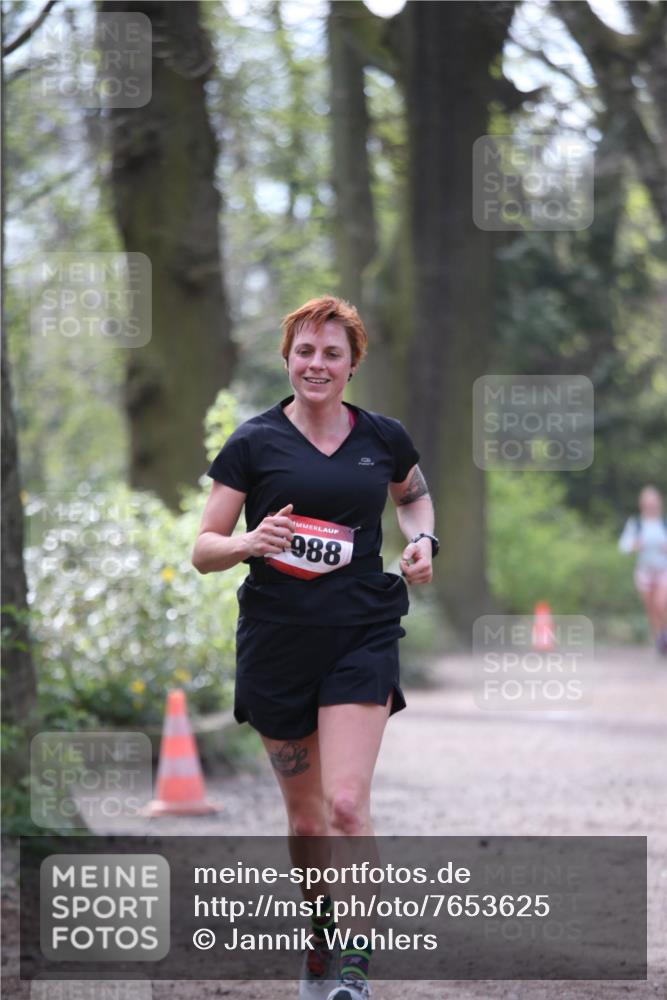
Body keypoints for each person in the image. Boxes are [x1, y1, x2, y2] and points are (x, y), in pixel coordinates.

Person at [192, 295, 437, 1000]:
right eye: (305, 351)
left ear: (353, 364)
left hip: (361, 632)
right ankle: (322, 934)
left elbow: (412, 497)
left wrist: (423, 540)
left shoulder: (383, 437)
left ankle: (354, 968)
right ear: (287, 359)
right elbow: (204, 549)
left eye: (333, 353)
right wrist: (249, 541)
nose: (317, 364)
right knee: (305, 819)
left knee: (348, 806)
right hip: (278, 643)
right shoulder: (253, 443)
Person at [618, 485, 667, 654]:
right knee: (651, 608)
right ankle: (659, 640)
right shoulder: (636, 524)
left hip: (663, 570)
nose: (651, 506)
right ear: (642, 505)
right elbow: (623, 546)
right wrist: (634, 545)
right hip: (644, 572)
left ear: (659, 503)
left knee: (661, 604)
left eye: (653, 502)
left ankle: (664, 634)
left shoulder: (664, 524)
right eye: (648, 503)